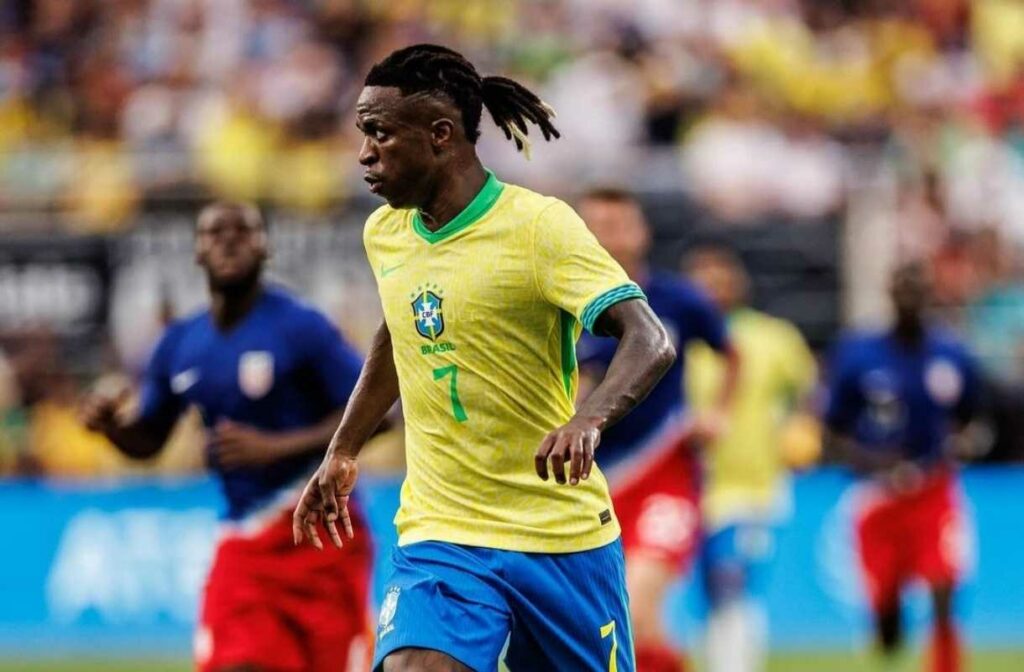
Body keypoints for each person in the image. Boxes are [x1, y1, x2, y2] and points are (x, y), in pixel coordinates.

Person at [293, 44, 676, 672]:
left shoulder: (539, 228)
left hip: (558, 538)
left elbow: (648, 338)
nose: (364, 153)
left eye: (380, 134)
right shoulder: (385, 233)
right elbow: (398, 337)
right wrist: (343, 448)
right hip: (442, 532)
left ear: (441, 135)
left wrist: (588, 419)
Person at [82, 202, 372, 672]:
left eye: (244, 230)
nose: (230, 239)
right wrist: (113, 429)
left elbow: (377, 415)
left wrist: (273, 448)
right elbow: (149, 441)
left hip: (321, 536)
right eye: (215, 232)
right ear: (197, 250)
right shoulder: (181, 343)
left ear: (265, 247)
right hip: (246, 540)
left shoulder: (301, 327)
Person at [575, 189, 739, 672]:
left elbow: (731, 354)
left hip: (666, 472)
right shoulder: (565, 306)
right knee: (612, 625)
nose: (612, 236)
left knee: (640, 605)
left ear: (643, 232)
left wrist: (718, 413)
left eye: (621, 224)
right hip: (595, 482)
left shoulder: (677, 301)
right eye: (599, 225)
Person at [825, 263, 981, 672]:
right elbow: (833, 427)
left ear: (930, 294)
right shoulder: (859, 352)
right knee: (888, 618)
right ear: (890, 293)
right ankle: (885, 633)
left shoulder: (951, 353)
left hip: (933, 488)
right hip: (879, 494)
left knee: (944, 585)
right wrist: (872, 461)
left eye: (918, 287)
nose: (910, 296)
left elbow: (969, 415)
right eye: (903, 287)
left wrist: (956, 445)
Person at [685, 246, 819, 672]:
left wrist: (802, 430)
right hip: (693, 488)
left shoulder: (773, 337)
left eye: (720, 279)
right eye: (702, 281)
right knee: (709, 595)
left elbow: (810, 393)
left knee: (732, 582)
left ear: (738, 284)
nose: (712, 290)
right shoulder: (675, 341)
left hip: (752, 486)